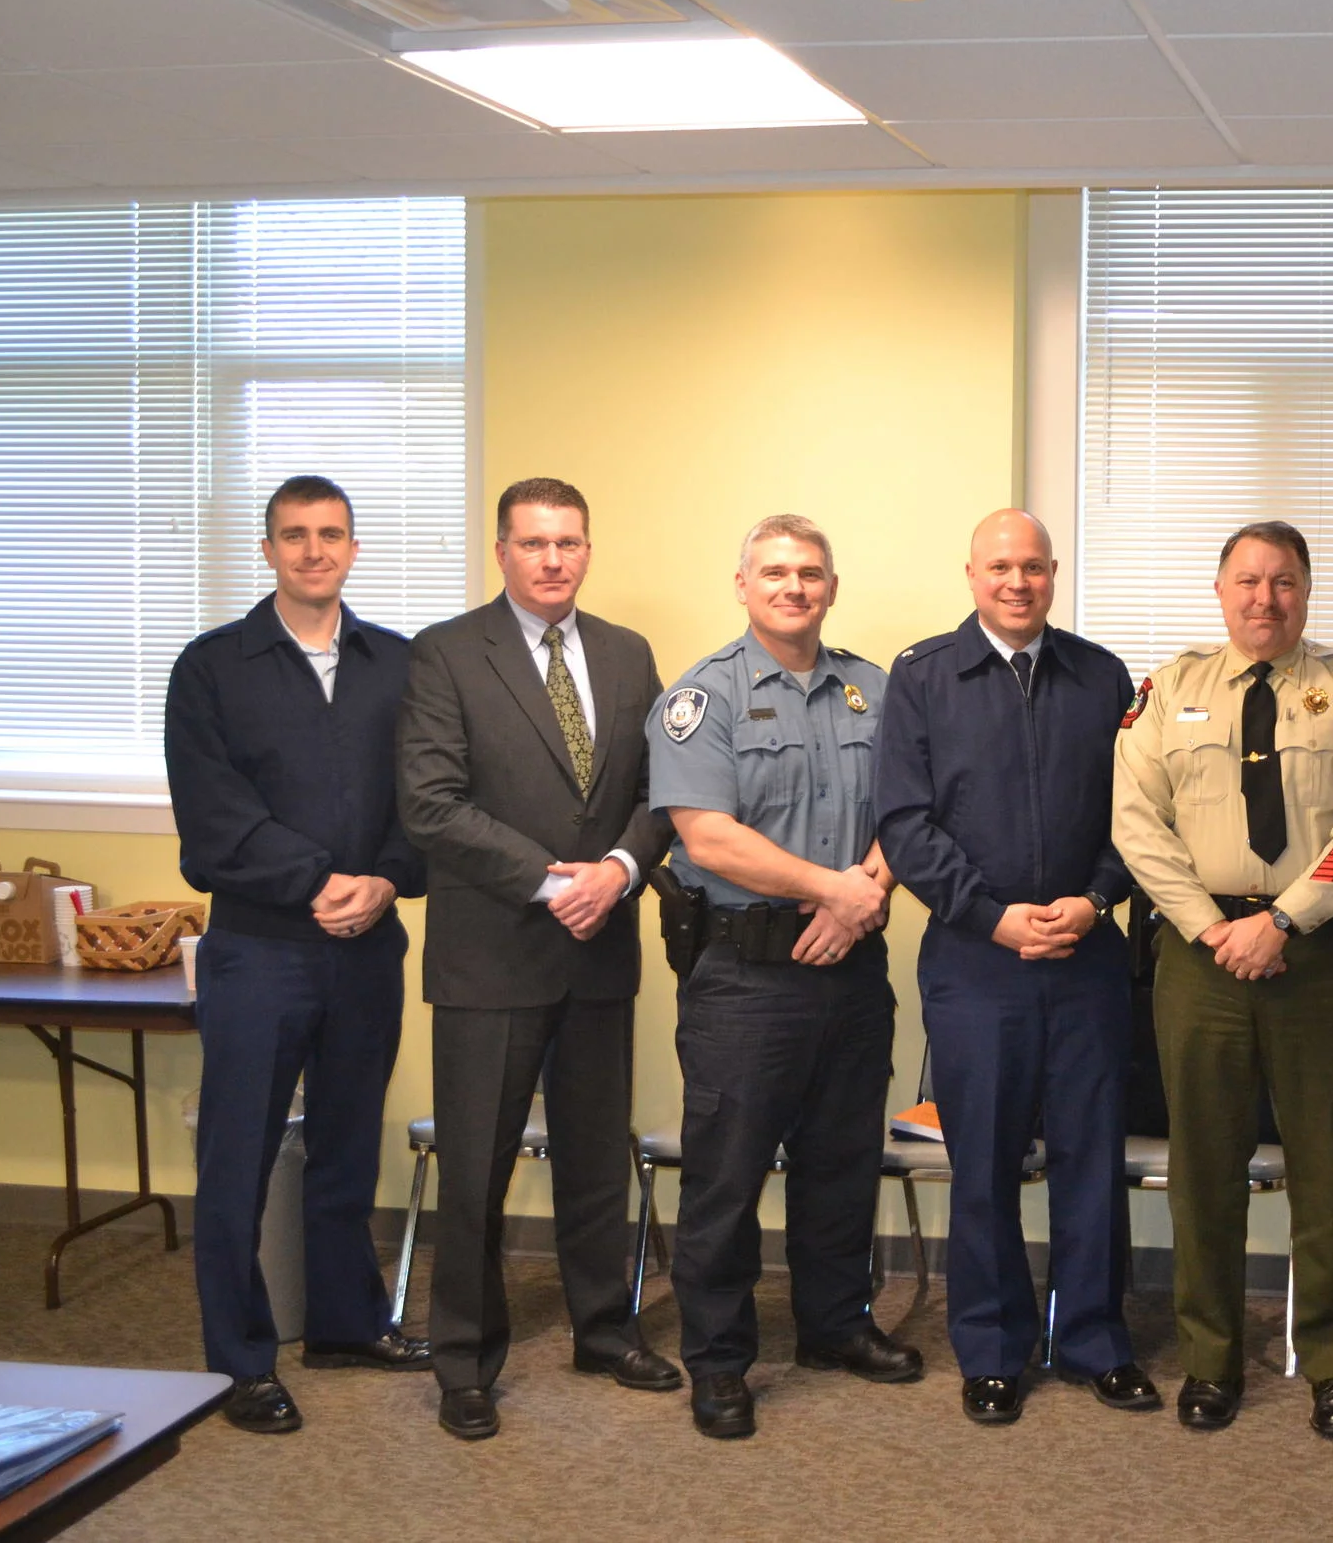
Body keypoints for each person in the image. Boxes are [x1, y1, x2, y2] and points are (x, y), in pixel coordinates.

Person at [1113, 520, 1333, 1439]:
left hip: (1314, 955)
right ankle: (1210, 1360)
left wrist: (1283, 920)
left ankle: (1332, 1363)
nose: (1264, 598)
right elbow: (1135, 822)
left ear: (1307, 591)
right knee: (1205, 1168)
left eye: (1283, 581)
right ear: (1220, 590)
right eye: (1247, 580)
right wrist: (1212, 928)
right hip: (1199, 958)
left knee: (1327, 1165)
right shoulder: (1167, 691)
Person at [397, 477, 678, 1441]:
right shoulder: (444, 653)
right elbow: (430, 802)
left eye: (569, 542)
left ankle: (605, 1329)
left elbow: (660, 791)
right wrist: (556, 882)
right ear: (501, 551)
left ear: (589, 549)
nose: (552, 559)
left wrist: (618, 868)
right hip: (494, 951)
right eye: (533, 543)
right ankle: (465, 1362)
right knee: (475, 1167)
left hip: (601, 947)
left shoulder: (628, 652)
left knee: (598, 1158)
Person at [877, 509, 1157, 1425]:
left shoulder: (1101, 675)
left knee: (1089, 1157)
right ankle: (992, 1351)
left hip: (1084, 956)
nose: (1018, 582)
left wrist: (1096, 896)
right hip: (975, 961)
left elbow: (1138, 812)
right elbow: (905, 824)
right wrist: (994, 919)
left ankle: (1092, 1340)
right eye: (1001, 566)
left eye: (1034, 567)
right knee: (986, 1161)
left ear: (1053, 573)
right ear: (971, 573)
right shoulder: (922, 677)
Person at [164, 475, 430, 1433]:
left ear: (355, 547)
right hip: (259, 948)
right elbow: (212, 816)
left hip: (369, 944)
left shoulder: (398, 664)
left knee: (347, 1145)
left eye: (332, 535)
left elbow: (426, 798)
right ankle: (240, 1361)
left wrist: (389, 879)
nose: (314, 550)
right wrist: (318, 878)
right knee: (237, 1156)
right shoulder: (212, 667)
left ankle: (346, 1323)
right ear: (269, 549)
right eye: (295, 536)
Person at [647, 514, 910, 1441]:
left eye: (809, 572)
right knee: (726, 1176)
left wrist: (861, 896)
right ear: (743, 583)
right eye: (774, 572)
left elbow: (912, 809)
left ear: (832, 586)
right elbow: (706, 834)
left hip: (852, 964)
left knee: (841, 1165)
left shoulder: (877, 691)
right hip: (746, 977)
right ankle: (718, 1363)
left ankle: (833, 1326)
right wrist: (831, 890)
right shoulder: (703, 698)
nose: (792, 587)